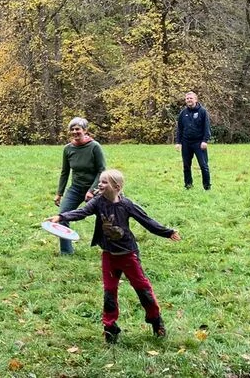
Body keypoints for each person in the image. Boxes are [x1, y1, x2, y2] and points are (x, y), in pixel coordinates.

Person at [48, 169, 181, 343]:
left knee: (143, 290)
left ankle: (156, 321)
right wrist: (61, 216)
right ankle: (110, 328)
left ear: (116, 187)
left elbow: (147, 221)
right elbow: (82, 212)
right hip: (109, 256)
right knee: (109, 293)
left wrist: (168, 232)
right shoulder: (97, 202)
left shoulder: (126, 205)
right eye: (100, 181)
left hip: (128, 255)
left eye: (104, 182)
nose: (100, 185)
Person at [55, 117, 106, 255]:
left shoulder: (94, 147)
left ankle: (109, 249)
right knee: (62, 216)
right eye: (72, 129)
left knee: (107, 218)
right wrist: (59, 193)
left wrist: (92, 190)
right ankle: (66, 251)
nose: (74, 131)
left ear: (85, 130)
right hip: (76, 188)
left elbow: (102, 170)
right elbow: (65, 172)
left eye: (77, 129)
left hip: (96, 189)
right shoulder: (68, 149)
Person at [174, 91, 212, 190]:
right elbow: (180, 129)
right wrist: (178, 142)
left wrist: (205, 140)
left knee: (203, 166)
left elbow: (206, 127)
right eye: (187, 99)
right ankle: (188, 185)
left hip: (199, 143)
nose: (189, 100)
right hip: (186, 143)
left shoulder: (202, 111)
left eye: (191, 98)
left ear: (195, 99)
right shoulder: (183, 113)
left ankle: (207, 187)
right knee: (186, 166)